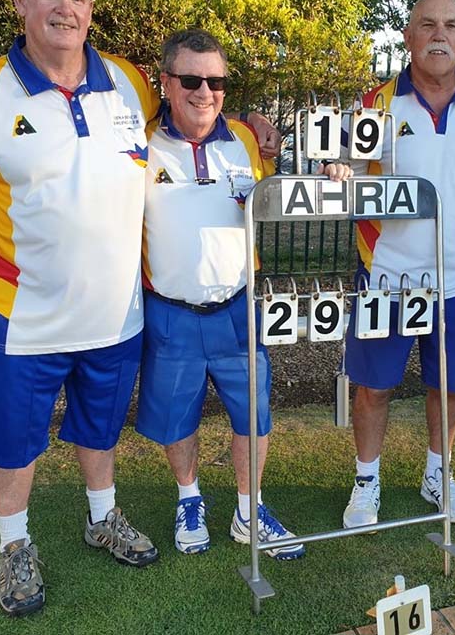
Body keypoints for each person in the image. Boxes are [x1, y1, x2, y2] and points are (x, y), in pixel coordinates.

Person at [0, 0, 279, 616]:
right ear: (21, 1)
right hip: (22, 311)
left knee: (99, 429)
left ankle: (103, 516)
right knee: (14, 439)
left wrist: (254, 126)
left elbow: (195, 109)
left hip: (118, 313)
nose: (67, 8)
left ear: (92, 10)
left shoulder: (127, 83)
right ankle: (13, 546)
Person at [137, 29, 316, 560]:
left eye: (215, 81)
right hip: (171, 312)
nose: (204, 92)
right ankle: (188, 498)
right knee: (177, 419)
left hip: (239, 310)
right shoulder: (139, 141)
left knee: (253, 417)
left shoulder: (245, 138)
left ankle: (248, 510)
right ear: (166, 82)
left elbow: (286, 188)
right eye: (190, 79)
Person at [339, 0, 455, 530]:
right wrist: (338, 169)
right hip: (387, 279)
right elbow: (341, 165)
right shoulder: (375, 104)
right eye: (428, 24)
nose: (440, 34)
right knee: (374, 386)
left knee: (450, 385)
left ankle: (439, 473)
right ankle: (367, 482)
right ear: (408, 36)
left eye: (452, 26)